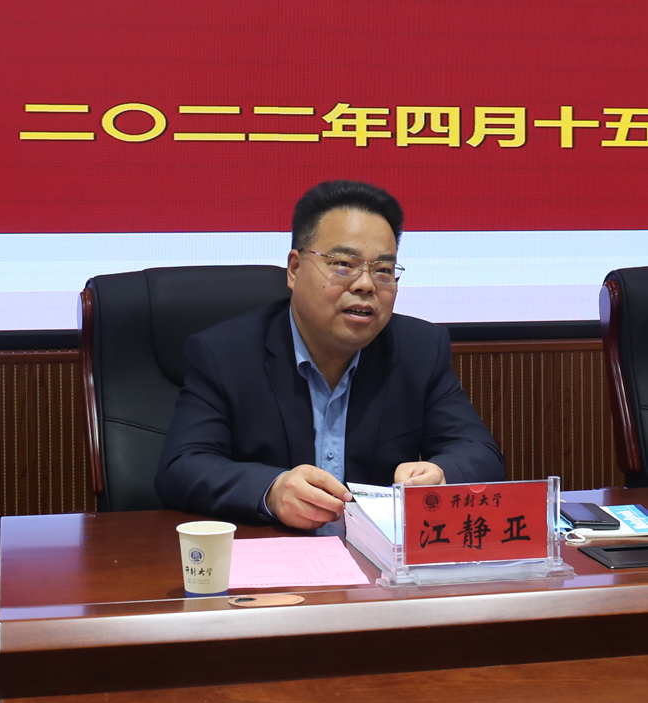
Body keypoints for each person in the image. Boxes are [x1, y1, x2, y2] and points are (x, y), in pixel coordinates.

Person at [155, 180, 505, 529]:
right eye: (343, 264)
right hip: (274, 551)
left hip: (375, 556)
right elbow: (182, 466)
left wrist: (440, 474)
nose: (365, 284)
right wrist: (272, 490)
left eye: (383, 270)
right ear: (295, 269)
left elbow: (479, 453)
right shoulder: (225, 353)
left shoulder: (419, 349)